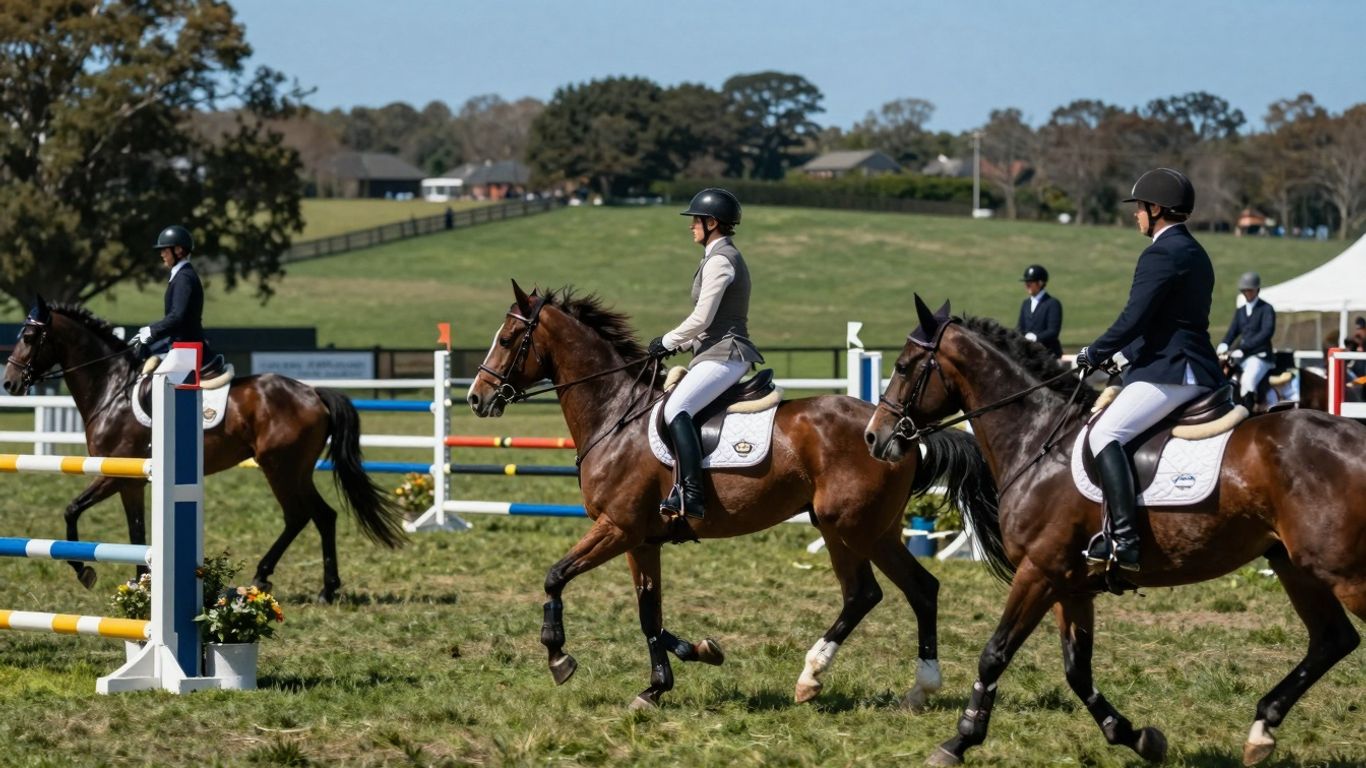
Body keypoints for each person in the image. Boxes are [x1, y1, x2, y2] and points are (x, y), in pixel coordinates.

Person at [1074, 168, 1224, 572]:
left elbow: (1134, 318)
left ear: (1156, 208)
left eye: (1140, 208)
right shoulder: (1195, 251)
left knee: (1105, 432)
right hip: (1197, 368)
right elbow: (1167, 321)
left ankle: (1124, 540)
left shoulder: (1160, 253)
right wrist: (1122, 360)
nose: (1135, 215)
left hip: (1171, 372)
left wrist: (1094, 351)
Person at [647, 189, 764, 521]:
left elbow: (702, 318)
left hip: (726, 354)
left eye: (695, 220)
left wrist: (668, 340)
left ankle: (692, 494)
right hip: (714, 352)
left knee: (676, 408)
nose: (691, 226)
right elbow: (706, 324)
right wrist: (681, 346)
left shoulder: (721, 260)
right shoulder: (717, 257)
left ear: (712, 222)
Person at [136, 225, 220, 375]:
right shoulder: (180, 275)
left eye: (165, 250)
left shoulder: (184, 277)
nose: (162, 254)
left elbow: (177, 316)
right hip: (181, 347)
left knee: (157, 382)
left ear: (179, 250)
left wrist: (152, 330)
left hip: (187, 350)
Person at [1217, 272, 1277, 409]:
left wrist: (1243, 348)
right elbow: (1233, 331)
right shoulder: (1241, 311)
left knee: (1248, 381)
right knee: (1229, 379)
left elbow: (1266, 333)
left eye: (1250, 290)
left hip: (1260, 357)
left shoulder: (1266, 309)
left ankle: (1249, 414)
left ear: (1257, 290)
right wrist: (1224, 343)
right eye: (1244, 291)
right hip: (1242, 357)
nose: (1247, 293)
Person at [1015, 264, 1064, 357]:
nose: (1026, 285)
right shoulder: (1026, 303)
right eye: (1026, 282)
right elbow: (1020, 327)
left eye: (1030, 282)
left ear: (1040, 283)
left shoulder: (1052, 303)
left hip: (1049, 354)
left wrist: (1035, 338)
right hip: (1029, 354)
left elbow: (1053, 331)